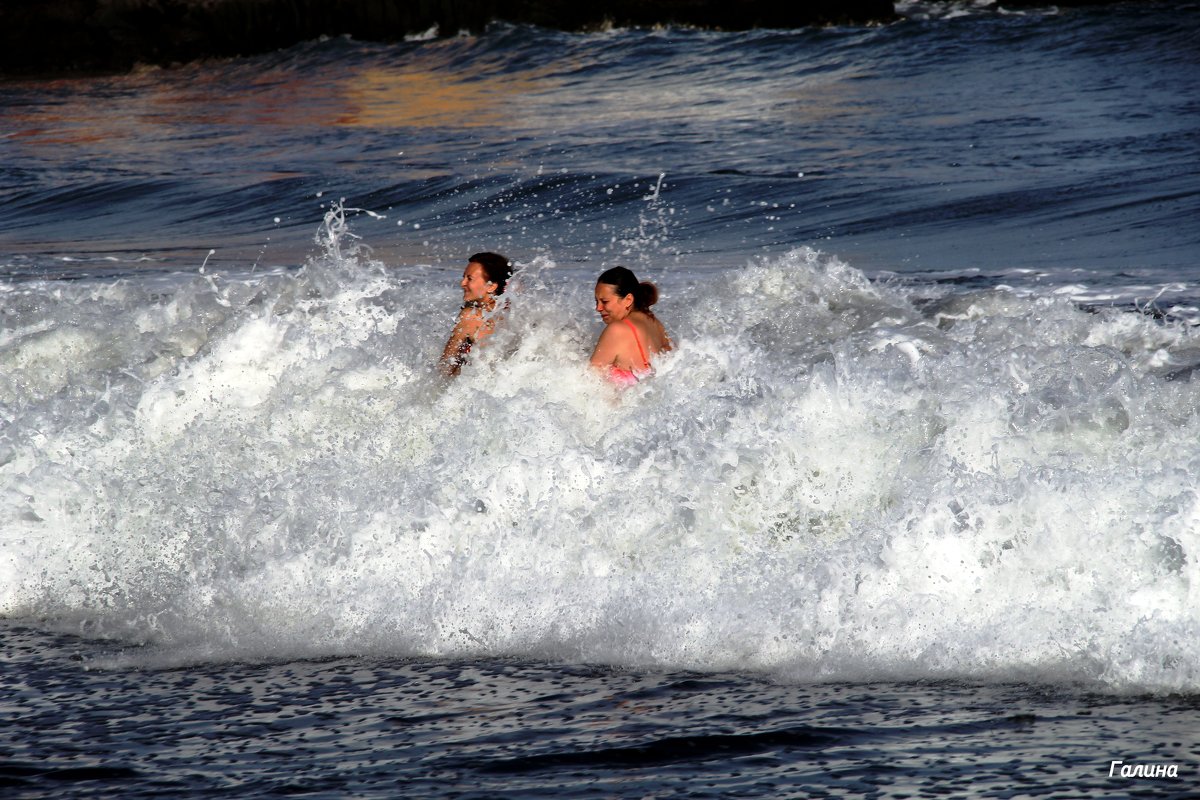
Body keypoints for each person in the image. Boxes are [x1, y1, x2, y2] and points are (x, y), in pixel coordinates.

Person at [589, 266, 671, 386]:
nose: (598, 308)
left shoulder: (617, 330)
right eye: (597, 302)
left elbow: (589, 381)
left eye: (604, 301)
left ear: (628, 300)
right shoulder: (655, 323)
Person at [441, 251, 513, 376]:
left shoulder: (470, 316)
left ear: (491, 286)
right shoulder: (513, 311)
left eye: (469, 278)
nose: (462, 283)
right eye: (464, 277)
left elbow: (445, 368)